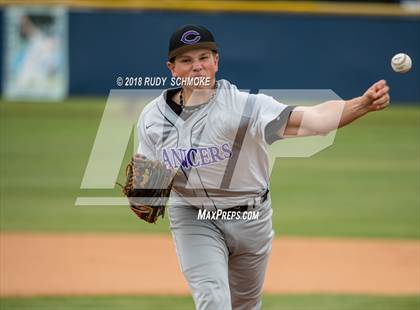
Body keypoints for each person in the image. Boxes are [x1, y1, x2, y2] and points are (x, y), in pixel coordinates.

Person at [136, 24, 390, 310]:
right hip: (194, 217)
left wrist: (361, 104)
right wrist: (146, 192)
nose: (197, 67)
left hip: (252, 218)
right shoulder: (152, 118)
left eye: (203, 57)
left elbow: (315, 119)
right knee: (214, 300)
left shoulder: (245, 107)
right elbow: (146, 172)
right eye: (186, 60)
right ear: (172, 68)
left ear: (216, 62)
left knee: (245, 305)